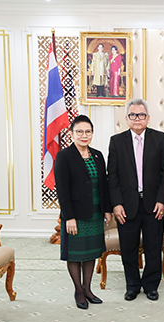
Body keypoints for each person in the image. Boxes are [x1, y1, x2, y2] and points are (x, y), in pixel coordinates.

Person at [108, 98, 164, 301]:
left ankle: (151, 286)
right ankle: (132, 285)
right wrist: (116, 204)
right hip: (127, 206)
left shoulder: (160, 139)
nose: (137, 118)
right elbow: (112, 176)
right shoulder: (116, 141)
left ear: (148, 118)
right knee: (129, 248)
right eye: (133, 115)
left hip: (154, 205)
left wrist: (162, 200)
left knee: (153, 247)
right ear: (127, 118)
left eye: (141, 115)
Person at [54, 115, 112, 310]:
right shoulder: (64, 156)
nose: (84, 135)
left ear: (92, 133)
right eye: (79, 131)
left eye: (88, 131)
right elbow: (62, 189)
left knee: (91, 252)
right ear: (72, 134)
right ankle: (78, 290)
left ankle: (88, 289)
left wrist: (107, 210)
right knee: (75, 254)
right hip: (75, 215)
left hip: (95, 212)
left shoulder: (97, 155)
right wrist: (68, 216)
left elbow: (103, 184)